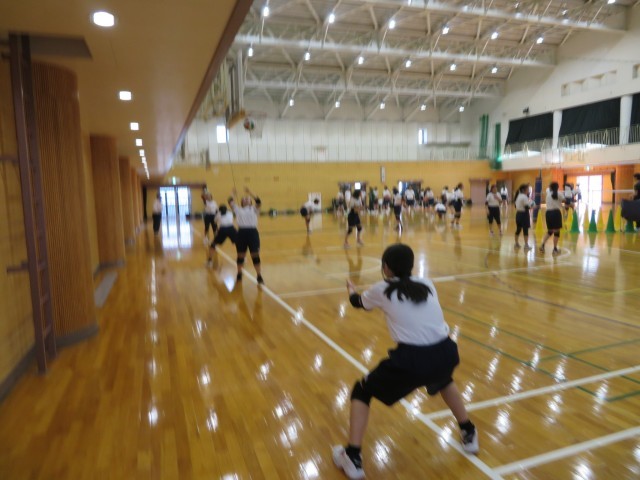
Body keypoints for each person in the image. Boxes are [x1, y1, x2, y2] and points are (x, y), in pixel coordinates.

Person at [333, 244, 479, 479]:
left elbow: (357, 302)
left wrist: (351, 290)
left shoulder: (382, 289)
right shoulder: (427, 283)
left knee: (361, 391)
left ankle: (352, 456)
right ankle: (468, 431)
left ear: (386, 267)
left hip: (412, 359)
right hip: (446, 351)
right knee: (443, 380)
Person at [229, 187, 264, 284]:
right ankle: (239, 273)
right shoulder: (238, 209)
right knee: (240, 255)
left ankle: (259, 275)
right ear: (241, 202)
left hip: (252, 233)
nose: (246, 200)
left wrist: (250, 192)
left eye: (248, 199)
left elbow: (258, 201)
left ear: (250, 202)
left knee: (255, 255)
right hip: (241, 233)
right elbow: (230, 201)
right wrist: (233, 193)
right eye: (244, 199)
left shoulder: (254, 209)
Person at [540, 182, 565, 255]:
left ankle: (542, 245)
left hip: (548, 213)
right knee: (557, 232)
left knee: (550, 231)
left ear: (550, 187)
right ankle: (555, 249)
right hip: (556, 213)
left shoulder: (548, 194)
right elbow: (565, 201)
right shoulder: (559, 194)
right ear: (557, 187)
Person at [514, 184, 534, 249]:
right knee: (525, 230)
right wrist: (532, 205)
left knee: (518, 229)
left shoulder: (518, 196)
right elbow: (527, 207)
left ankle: (516, 243)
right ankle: (526, 245)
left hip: (518, 214)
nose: (528, 190)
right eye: (527, 189)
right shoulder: (524, 197)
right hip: (524, 215)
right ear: (523, 190)